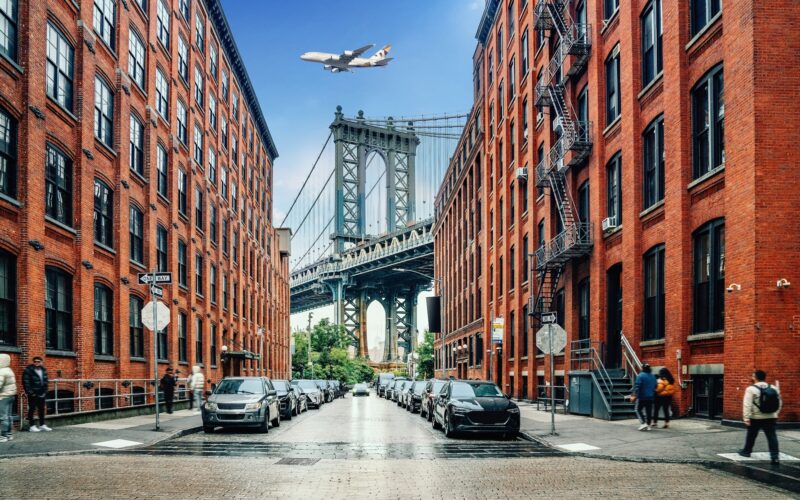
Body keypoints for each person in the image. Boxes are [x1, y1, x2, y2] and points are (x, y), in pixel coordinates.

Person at [739, 370, 782, 465]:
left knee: (751, 435)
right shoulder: (773, 388)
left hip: (756, 418)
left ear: (755, 377)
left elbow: (747, 405)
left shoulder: (751, 389)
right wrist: (775, 413)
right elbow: (779, 402)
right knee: (772, 437)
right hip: (771, 417)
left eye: (752, 376)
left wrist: (746, 418)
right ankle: (775, 457)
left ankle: (746, 452)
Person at [22, 356, 51, 432]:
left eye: (38, 362)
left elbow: (46, 381)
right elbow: (26, 382)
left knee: (41, 409)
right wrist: (31, 393)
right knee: (32, 409)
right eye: (35, 361)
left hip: (42, 393)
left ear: (41, 362)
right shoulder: (28, 370)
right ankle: (32, 426)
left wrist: (45, 391)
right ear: (33, 362)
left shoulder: (43, 370)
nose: (36, 363)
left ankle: (42, 425)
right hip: (33, 394)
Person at [630, 363, 656, 431]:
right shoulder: (653, 376)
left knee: (637, 409)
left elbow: (637, 386)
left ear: (642, 368)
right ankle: (648, 425)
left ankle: (643, 423)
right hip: (650, 397)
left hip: (642, 397)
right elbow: (655, 386)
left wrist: (634, 395)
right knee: (649, 411)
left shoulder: (640, 375)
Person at [0, 353, 17, 442]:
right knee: (9, 416)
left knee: (2, 417)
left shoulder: (1, 371)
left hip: (3, 396)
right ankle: (9, 434)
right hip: (11, 395)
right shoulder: (9, 370)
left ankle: (3, 436)